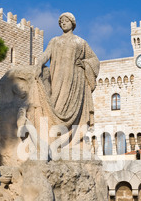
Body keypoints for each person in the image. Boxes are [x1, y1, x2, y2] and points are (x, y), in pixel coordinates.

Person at [30, 12, 100, 155]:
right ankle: (54, 139)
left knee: (75, 108)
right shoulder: (55, 41)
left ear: (72, 23)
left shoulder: (80, 42)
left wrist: (85, 63)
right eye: (61, 21)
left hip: (76, 81)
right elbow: (46, 55)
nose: (63, 23)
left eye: (66, 21)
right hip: (58, 80)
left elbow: (95, 60)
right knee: (56, 105)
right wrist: (38, 66)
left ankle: (73, 141)